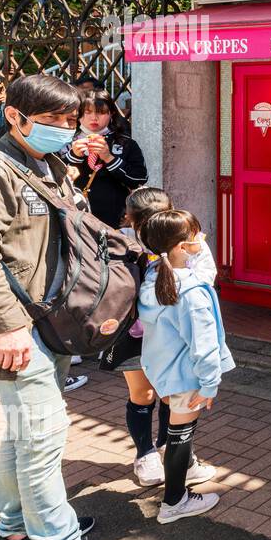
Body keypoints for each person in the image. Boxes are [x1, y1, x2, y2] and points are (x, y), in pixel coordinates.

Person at [0, 74, 116, 540]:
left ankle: (15, 530)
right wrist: (9, 326)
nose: (64, 130)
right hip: (16, 329)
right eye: (52, 122)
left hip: (52, 324)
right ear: (16, 118)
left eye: (71, 121)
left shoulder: (48, 165)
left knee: (25, 431)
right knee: (43, 433)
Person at [106, 187, 217, 487]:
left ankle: (170, 447)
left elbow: (206, 275)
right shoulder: (121, 240)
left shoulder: (186, 238)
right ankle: (146, 454)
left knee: (170, 391)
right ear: (132, 220)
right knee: (143, 394)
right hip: (133, 332)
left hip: (170, 331)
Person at [137, 209, 232, 524]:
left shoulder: (154, 277)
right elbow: (203, 345)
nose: (201, 242)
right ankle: (174, 501)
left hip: (161, 370)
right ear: (180, 247)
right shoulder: (190, 292)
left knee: (177, 431)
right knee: (180, 435)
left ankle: (178, 488)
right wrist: (209, 384)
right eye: (197, 239)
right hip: (185, 375)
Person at [61, 90, 148, 228]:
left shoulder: (126, 143)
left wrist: (109, 158)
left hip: (114, 219)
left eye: (101, 112)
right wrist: (74, 156)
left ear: (111, 114)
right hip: (73, 217)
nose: (94, 118)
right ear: (78, 114)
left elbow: (139, 179)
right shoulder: (64, 141)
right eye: (88, 112)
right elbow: (50, 174)